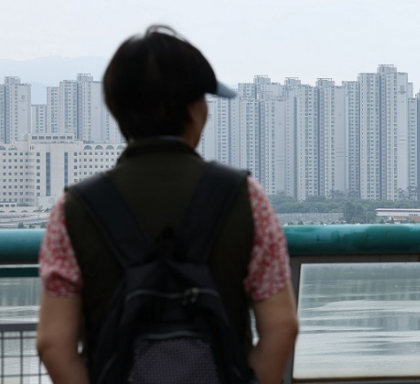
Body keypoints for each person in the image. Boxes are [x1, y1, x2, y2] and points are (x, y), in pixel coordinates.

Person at [36, 25, 299, 384]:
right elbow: (282, 327)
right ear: (193, 110)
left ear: (117, 110)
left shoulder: (73, 209)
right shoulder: (245, 196)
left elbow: (53, 345)